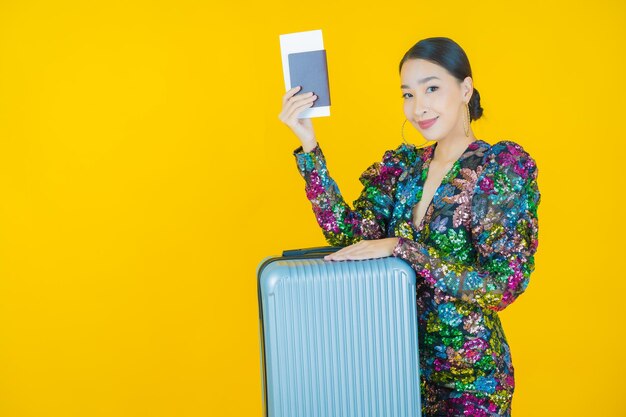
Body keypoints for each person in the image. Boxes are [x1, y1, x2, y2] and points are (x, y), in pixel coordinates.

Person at [278, 36, 540, 417]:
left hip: (472, 383)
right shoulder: (403, 170)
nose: (419, 107)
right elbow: (352, 242)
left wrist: (402, 248)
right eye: (408, 95)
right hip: (398, 373)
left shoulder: (499, 168)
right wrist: (308, 147)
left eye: (431, 88)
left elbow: (500, 286)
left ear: (465, 88)